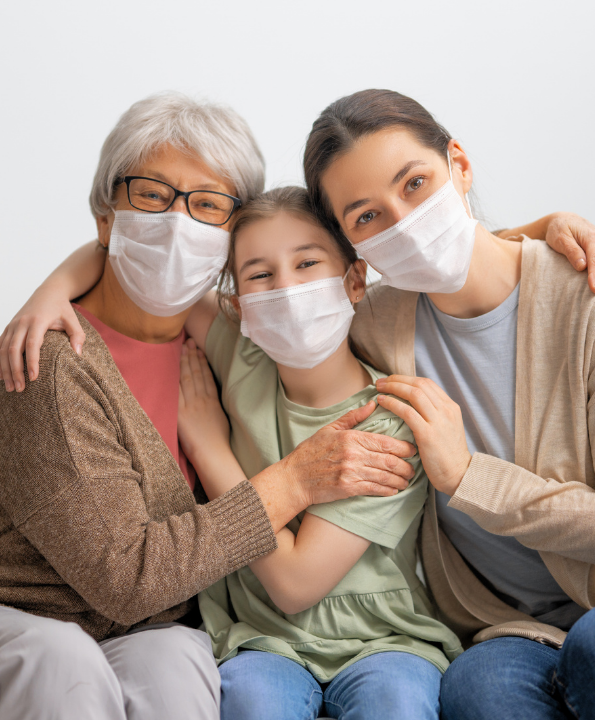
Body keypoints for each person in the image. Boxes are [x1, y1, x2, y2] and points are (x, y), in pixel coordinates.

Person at [0, 93, 425, 720]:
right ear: (107, 216)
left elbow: (421, 273)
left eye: (208, 204)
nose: (178, 224)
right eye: (152, 195)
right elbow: (125, 576)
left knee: (180, 666)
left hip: (136, 630)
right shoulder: (54, 360)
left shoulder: (233, 339)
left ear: (228, 243)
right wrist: (295, 479)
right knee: (59, 659)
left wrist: (532, 234)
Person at [304, 89, 595, 719]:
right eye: (367, 217)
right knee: (476, 690)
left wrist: (469, 478)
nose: (403, 222)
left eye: (415, 184)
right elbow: (261, 289)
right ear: (352, 249)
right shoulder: (373, 326)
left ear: (459, 166)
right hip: (515, 629)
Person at [175, 186, 462, 720]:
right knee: (255, 702)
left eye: (307, 263)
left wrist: (208, 447)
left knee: (394, 706)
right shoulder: (241, 356)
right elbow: (135, 272)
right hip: (261, 639)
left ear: (354, 281)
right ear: (239, 304)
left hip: (385, 642)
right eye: (260, 275)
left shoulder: (392, 417)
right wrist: (48, 295)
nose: (285, 288)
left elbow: (295, 584)